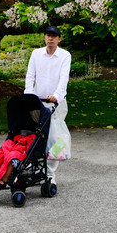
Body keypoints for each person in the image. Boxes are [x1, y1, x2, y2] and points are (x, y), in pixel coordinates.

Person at [24, 24, 71, 182]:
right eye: (47, 35)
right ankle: (33, 166)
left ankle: (50, 174)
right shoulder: (36, 54)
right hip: (38, 104)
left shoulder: (65, 55)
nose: (50, 38)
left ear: (59, 39)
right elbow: (30, 76)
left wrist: (57, 95)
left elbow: (64, 78)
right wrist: (29, 95)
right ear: (45, 37)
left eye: (53, 36)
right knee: (36, 136)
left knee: (55, 139)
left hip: (56, 105)